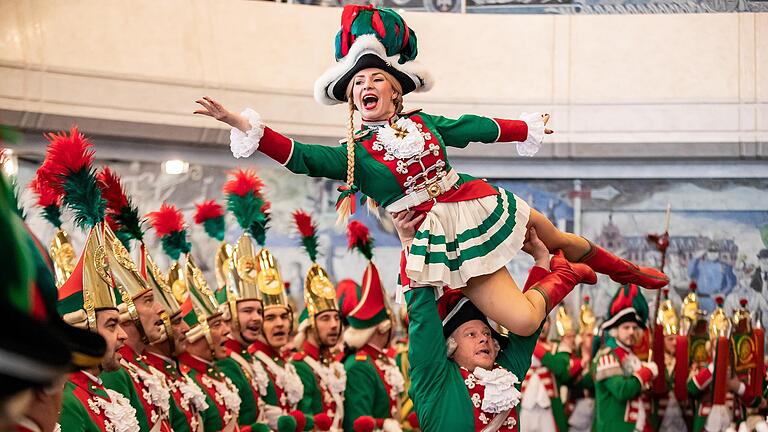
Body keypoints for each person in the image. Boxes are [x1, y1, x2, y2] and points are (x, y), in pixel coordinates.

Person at [193, 4, 668, 339]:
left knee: (554, 233)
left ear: (397, 90)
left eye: (376, 77)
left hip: (474, 200)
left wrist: (526, 127)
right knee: (522, 322)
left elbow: (473, 126)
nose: (365, 86)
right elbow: (301, 157)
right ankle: (562, 273)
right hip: (443, 241)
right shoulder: (353, 154)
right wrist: (242, 124)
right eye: (357, 82)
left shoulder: (425, 122)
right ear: (353, 100)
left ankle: (629, 273)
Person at [393, 207, 595, 431]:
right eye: (471, 334)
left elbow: (528, 323)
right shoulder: (435, 378)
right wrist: (410, 242)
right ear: (450, 346)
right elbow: (423, 317)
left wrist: (541, 261)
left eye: (487, 334)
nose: (484, 339)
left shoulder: (506, 376)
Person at [291, 210, 346, 431]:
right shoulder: (300, 366)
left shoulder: (330, 362)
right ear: (310, 324)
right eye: (325, 318)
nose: (334, 325)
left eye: (336, 317)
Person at [591, 284, 658, 432]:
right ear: (616, 330)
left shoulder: (632, 356)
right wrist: (646, 373)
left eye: (635, 328)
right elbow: (622, 391)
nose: (631, 332)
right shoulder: (607, 355)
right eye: (626, 327)